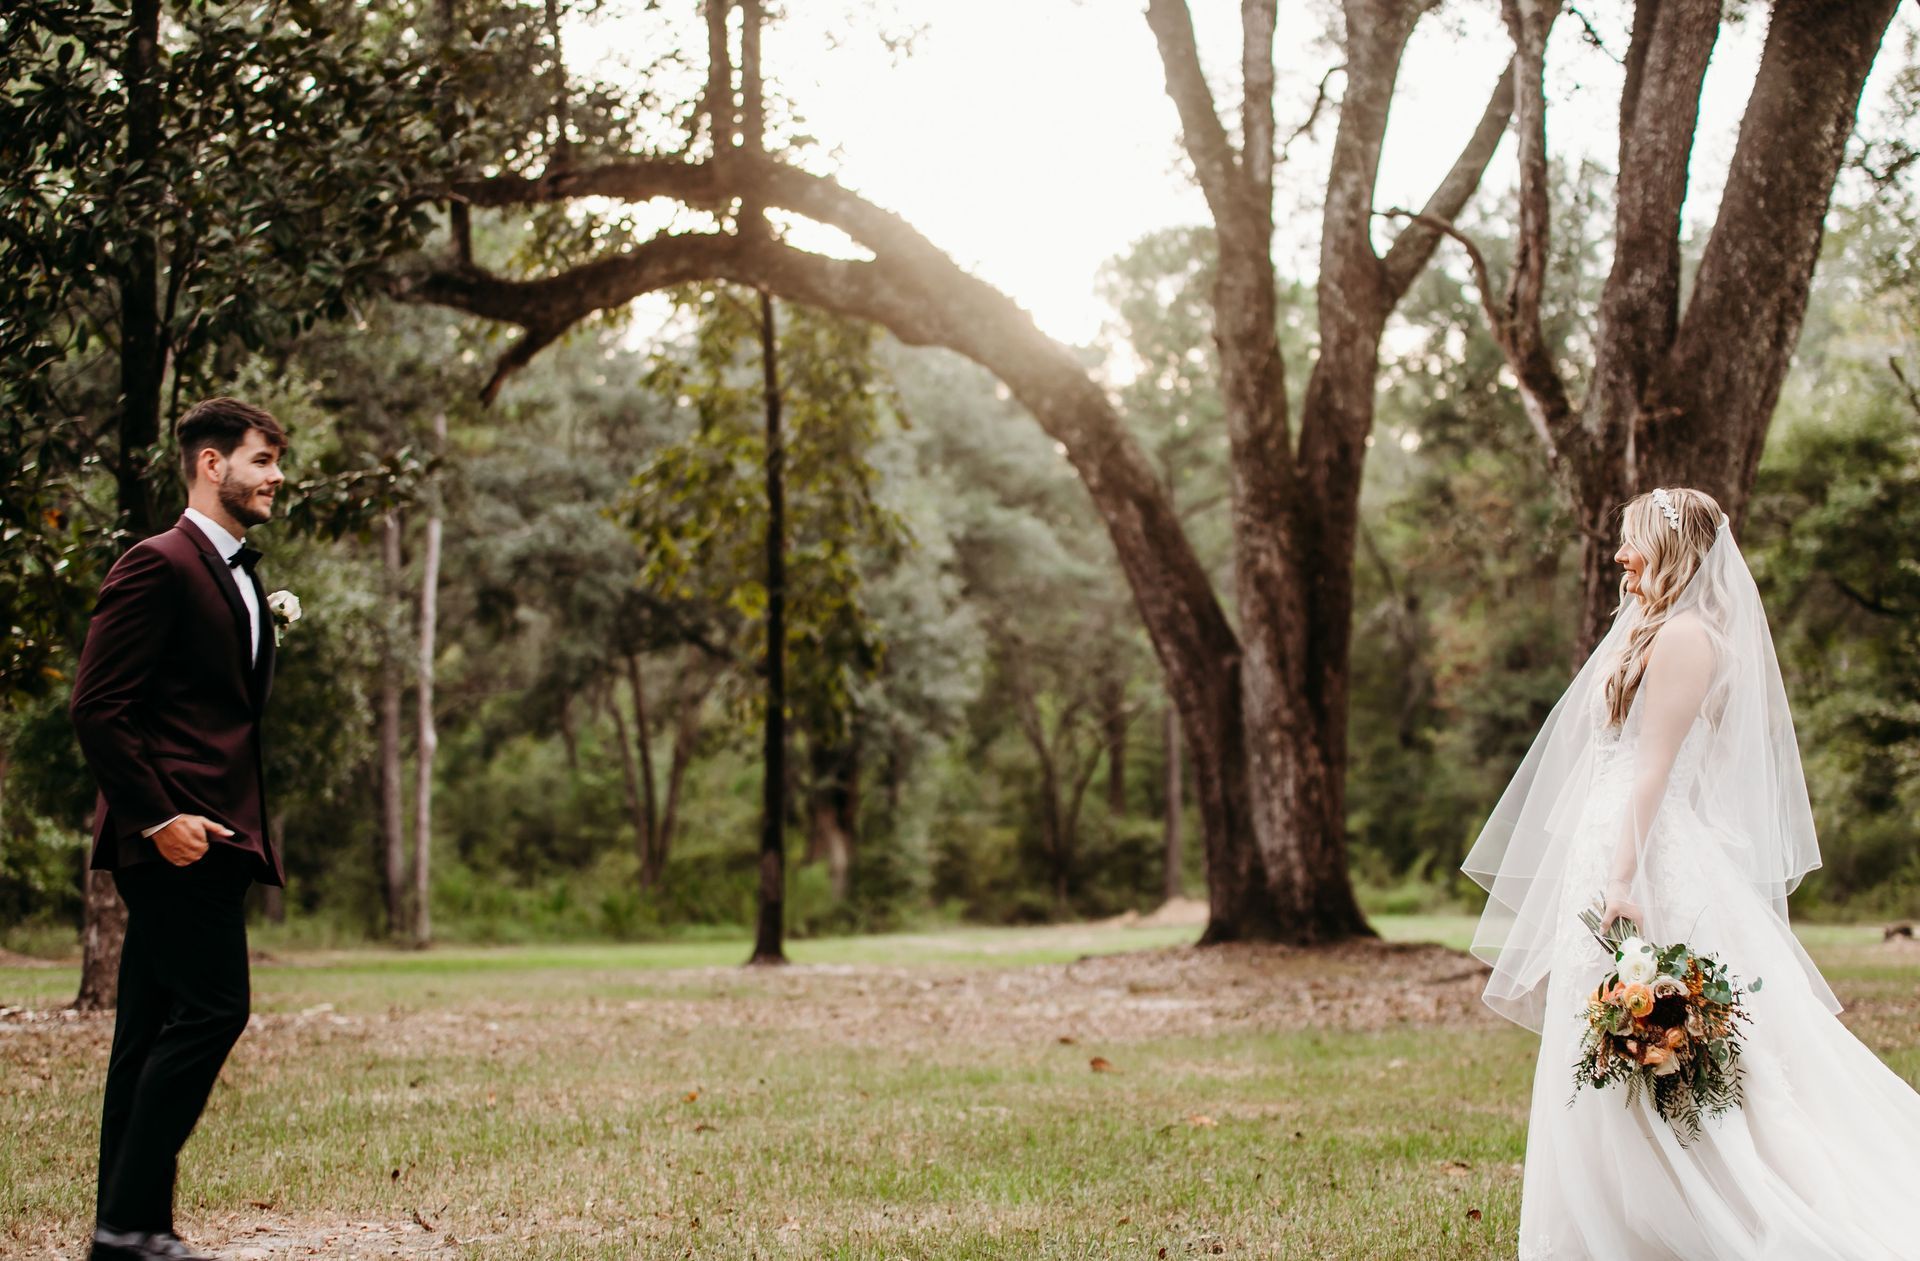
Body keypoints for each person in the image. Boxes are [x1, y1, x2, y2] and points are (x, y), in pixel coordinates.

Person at [1463, 487, 1920, 1259]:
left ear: (1672, 550)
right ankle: (1616, 1215)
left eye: (1631, 541)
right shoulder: (1648, 630)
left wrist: (1623, 880)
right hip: (1616, 843)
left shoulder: (1686, 638)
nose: (1617, 557)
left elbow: (1655, 770)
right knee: (1612, 1033)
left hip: (1644, 857)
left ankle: (1699, 1210)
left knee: (1668, 1038)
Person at [71, 397, 289, 1261]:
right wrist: (159, 817)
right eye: (262, 459)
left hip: (217, 837)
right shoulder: (156, 563)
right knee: (214, 1009)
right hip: (177, 838)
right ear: (211, 463)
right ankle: (128, 1222)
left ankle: (129, 1229)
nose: (276, 476)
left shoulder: (231, 573)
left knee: (148, 1032)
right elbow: (98, 707)